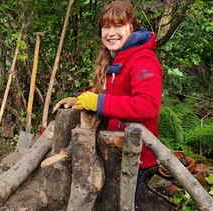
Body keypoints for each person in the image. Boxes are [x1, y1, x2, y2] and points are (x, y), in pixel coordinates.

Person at [53, 0, 162, 207]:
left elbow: (148, 105)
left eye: (118, 26)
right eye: (106, 27)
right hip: (112, 150)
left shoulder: (142, 60)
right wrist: (79, 96)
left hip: (134, 155)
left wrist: (99, 102)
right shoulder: (116, 58)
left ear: (132, 27)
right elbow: (106, 92)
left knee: (124, 205)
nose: (111, 33)